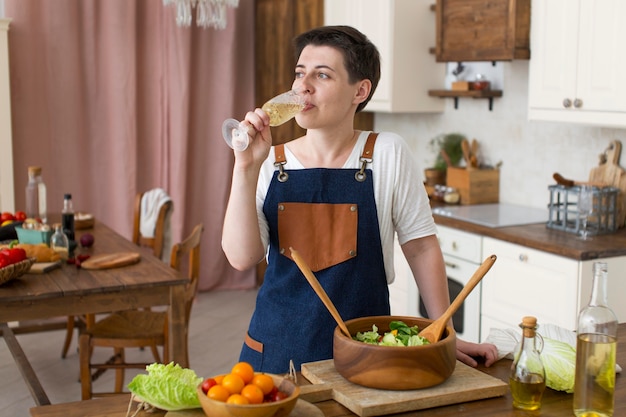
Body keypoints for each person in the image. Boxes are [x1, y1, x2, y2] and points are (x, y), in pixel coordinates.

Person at [222, 25, 497, 373]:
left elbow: (421, 246)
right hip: (276, 352)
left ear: (360, 90)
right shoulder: (268, 161)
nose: (302, 86)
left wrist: (443, 330)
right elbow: (241, 258)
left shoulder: (387, 152)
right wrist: (244, 168)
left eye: (322, 75)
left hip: (367, 351)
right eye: (299, 73)